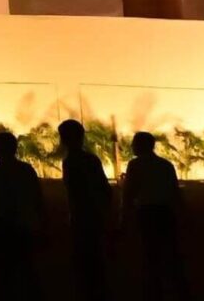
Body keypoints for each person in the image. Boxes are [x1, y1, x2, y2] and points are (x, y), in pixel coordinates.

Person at [122, 131, 189, 301]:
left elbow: (129, 193)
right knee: (170, 253)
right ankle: (177, 289)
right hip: (165, 213)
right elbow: (175, 192)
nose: (132, 146)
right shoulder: (165, 165)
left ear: (140, 146)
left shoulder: (135, 165)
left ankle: (154, 290)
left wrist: (123, 217)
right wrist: (183, 214)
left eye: (134, 143)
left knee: (150, 254)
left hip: (146, 213)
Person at [0, 131, 45, 301]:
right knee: (26, 271)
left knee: (5, 276)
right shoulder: (26, 169)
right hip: (24, 227)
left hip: (4, 230)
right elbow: (37, 198)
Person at [60, 119, 113, 301]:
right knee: (95, 259)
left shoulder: (70, 162)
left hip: (82, 216)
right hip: (94, 214)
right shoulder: (91, 160)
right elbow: (104, 188)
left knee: (84, 260)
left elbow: (74, 192)